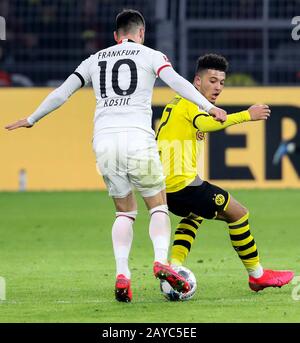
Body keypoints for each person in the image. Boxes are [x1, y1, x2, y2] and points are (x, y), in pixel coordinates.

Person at [5, 10, 227, 302]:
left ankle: (123, 274)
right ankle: (162, 260)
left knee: (124, 211)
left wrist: (32, 118)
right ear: (141, 33)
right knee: (158, 206)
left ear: (115, 36)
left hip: (104, 141)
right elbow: (177, 82)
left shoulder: (94, 59)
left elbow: (62, 92)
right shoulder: (151, 55)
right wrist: (208, 107)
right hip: (138, 138)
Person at [157, 53, 294, 292]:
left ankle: (174, 266)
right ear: (196, 82)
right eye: (212, 80)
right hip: (183, 185)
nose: (218, 87)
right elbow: (206, 124)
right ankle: (257, 276)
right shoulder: (192, 102)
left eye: (221, 82)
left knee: (194, 216)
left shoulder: (178, 102)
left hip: (164, 187)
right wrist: (246, 116)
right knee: (239, 213)